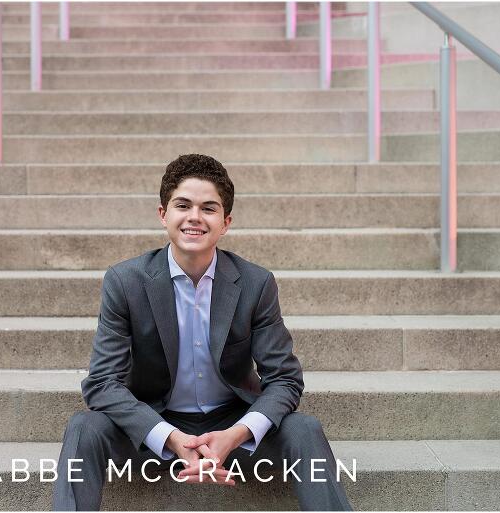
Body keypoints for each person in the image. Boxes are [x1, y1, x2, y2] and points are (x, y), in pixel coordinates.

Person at [53, 154, 352, 511]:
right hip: (154, 422)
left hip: (232, 424)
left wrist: (235, 435)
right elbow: (102, 383)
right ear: (163, 214)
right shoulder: (125, 281)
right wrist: (171, 438)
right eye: (183, 205)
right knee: (84, 428)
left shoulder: (255, 284)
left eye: (208, 208)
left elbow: (285, 380)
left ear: (225, 223)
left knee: (305, 429)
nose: (195, 217)